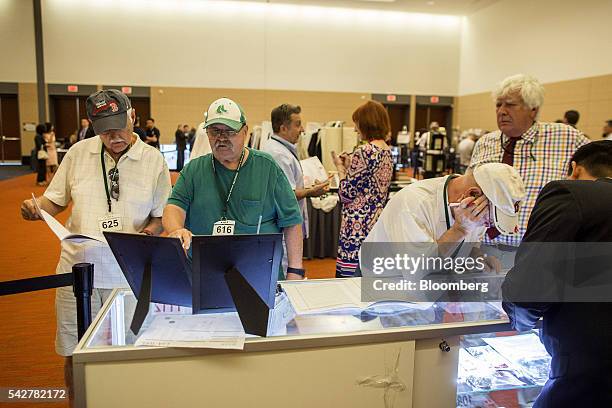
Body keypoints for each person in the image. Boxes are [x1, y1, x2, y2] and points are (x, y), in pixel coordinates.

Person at [20, 89, 171, 402]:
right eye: (104, 129)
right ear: (92, 125)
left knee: (129, 351)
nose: (113, 136)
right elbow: (54, 201)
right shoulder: (78, 153)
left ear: (132, 116)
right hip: (77, 273)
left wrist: (147, 235)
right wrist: (36, 209)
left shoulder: (153, 159)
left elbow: (160, 218)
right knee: (75, 352)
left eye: (119, 126)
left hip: (128, 275)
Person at [502, 141, 612, 408]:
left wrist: (520, 320)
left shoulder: (571, 194)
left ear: (574, 170)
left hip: (588, 373)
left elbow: (529, 288)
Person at [163, 97, 306, 280]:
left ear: (244, 131)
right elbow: (174, 207)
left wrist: (295, 271)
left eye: (229, 131)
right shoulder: (193, 170)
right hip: (204, 275)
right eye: (215, 131)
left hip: (259, 276)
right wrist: (176, 229)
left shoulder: (267, 167)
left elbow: (292, 221)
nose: (221, 138)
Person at [469, 74, 589, 246]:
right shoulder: (485, 142)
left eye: (510, 104)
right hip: (484, 250)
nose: (501, 111)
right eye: (498, 105)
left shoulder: (567, 138)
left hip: (537, 253)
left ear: (533, 109)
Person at [365, 163, 525, 250]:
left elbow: (468, 245)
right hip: (382, 281)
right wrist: (460, 230)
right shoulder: (413, 204)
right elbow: (418, 270)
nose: (488, 226)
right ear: (473, 194)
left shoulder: (476, 208)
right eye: (490, 220)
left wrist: (477, 258)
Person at [261, 104, 329, 274]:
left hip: (284, 226)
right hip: (283, 229)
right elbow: (287, 195)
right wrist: (312, 191)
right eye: (298, 124)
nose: (302, 129)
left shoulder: (280, 149)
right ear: (283, 128)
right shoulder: (279, 154)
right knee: (285, 275)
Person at [332, 100, 393, 277]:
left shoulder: (364, 151)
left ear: (366, 123)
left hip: (357, 224)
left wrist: (341, 169)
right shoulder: (387, 151)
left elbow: (346, 194)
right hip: (376, 220)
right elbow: (370, 183)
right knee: (369, 274)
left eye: (357, 123)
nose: (355, 129)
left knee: (350, 278)